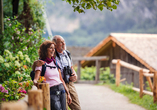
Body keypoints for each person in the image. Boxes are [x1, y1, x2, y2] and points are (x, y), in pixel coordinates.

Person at [33, 40, 72, 110]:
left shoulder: (55, 62)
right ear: (45, 50)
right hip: (51, 92)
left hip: (62, 91)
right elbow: (36, 79)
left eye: (54, 48)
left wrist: (68, 94)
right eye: (51, 48)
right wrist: (35, 83)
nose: (53, 50)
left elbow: (61, 79)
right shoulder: (41, 64)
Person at [52, 35, 81, 110]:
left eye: (64, 41)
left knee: (77, 107)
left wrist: (75, 75)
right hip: (60, 85)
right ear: (55, 44)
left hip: (70, 84)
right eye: (60, 42)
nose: (63, 43)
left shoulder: (67, 54)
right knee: (64, 108)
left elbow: (71, 67)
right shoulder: (53, 55)